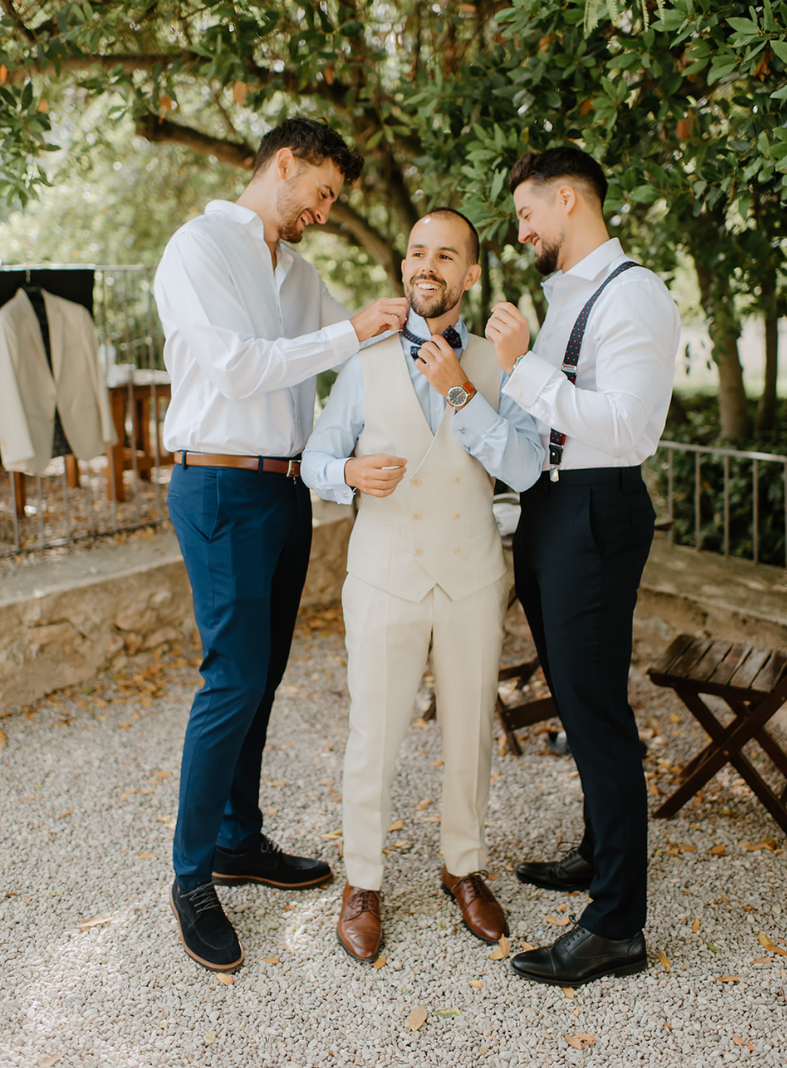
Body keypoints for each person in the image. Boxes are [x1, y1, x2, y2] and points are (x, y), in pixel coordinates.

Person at [155, 117, 410, 973]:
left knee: (264, 674)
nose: (326, 211)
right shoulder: (197, 248)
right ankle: (191, 876)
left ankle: (238, 839)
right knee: (230, 676)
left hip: (287, 486)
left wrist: (455, 360)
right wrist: (353, 332)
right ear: (285, 164)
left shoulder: (299, 274)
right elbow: (237, 365)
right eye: (322, 192)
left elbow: (370, 354)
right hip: (219, 481)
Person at [302, 208, 546, 961]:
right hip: (382, 578)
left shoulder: (502, 362)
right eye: (417, 253)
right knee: (372, 734)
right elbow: (314, 458)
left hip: (472, 576)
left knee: (471, 731)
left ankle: (463, 869)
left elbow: (529, 468)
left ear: (470, 275)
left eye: (446, 255)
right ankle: (363, 881)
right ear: (404, 267)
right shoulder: (365, 360)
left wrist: (464, 394)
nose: (427, 266)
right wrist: (345, 473)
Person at [480, 146, 680, 986]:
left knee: (597, 717)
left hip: (596, 508)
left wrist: (523, 365)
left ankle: (616, 927)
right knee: (575, 694)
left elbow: (628, 430)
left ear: (568, 199)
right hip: (555, 509)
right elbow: (551, 421)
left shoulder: (633, 294)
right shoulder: (567, 299)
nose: (522, 229)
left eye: (528, 213)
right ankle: (600, 855)